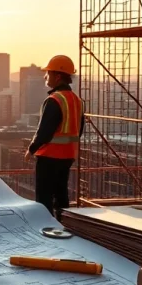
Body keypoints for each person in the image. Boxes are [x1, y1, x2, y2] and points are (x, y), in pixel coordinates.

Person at [24, 54, 84, 217]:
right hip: (68, 156)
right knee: (61, 194)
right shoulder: (77, 101)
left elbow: (44, 131)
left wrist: (31, 149)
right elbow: (79, 129)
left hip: (49, 156)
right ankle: (64, 225)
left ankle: (46, 228)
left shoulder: (55, 100)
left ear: (58, 76)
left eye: (48, 73)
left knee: (44, 197)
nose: (45, 76)